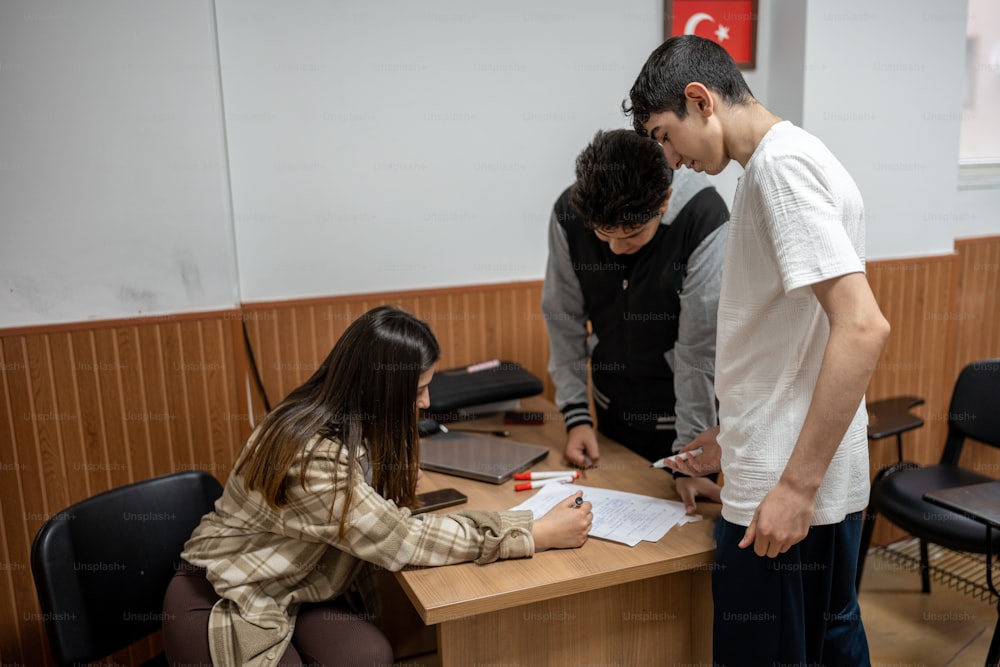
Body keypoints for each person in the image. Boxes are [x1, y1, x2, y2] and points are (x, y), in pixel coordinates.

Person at [625, 35, 890, 666]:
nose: (670, 158)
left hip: (786, 492)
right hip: (800, 472)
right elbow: (799, 337)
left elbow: (861, 328)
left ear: (700, 100)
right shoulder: (794, 157)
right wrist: (735, 437)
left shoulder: (779, 170)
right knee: (832, 646)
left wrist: (795, 486)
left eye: (665, 135)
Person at [162, 305, 593, 667]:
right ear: (380, 389)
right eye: (419, 391)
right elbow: (400, 542)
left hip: (294, 584)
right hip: (224, 594)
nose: (425, 403)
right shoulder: (311, 453)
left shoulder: (340, 418)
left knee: (367, 655)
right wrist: (532, 533)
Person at [541, 128, 729, 513]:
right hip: (611, 411)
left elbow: (698, 350)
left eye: (631, 235)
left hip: (685, 419)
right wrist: (576, 416)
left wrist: (690, 460)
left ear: (664, 201)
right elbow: (564, 318)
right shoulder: (569, 213)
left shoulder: (703, 218)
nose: (615, 248)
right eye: (603, 235)